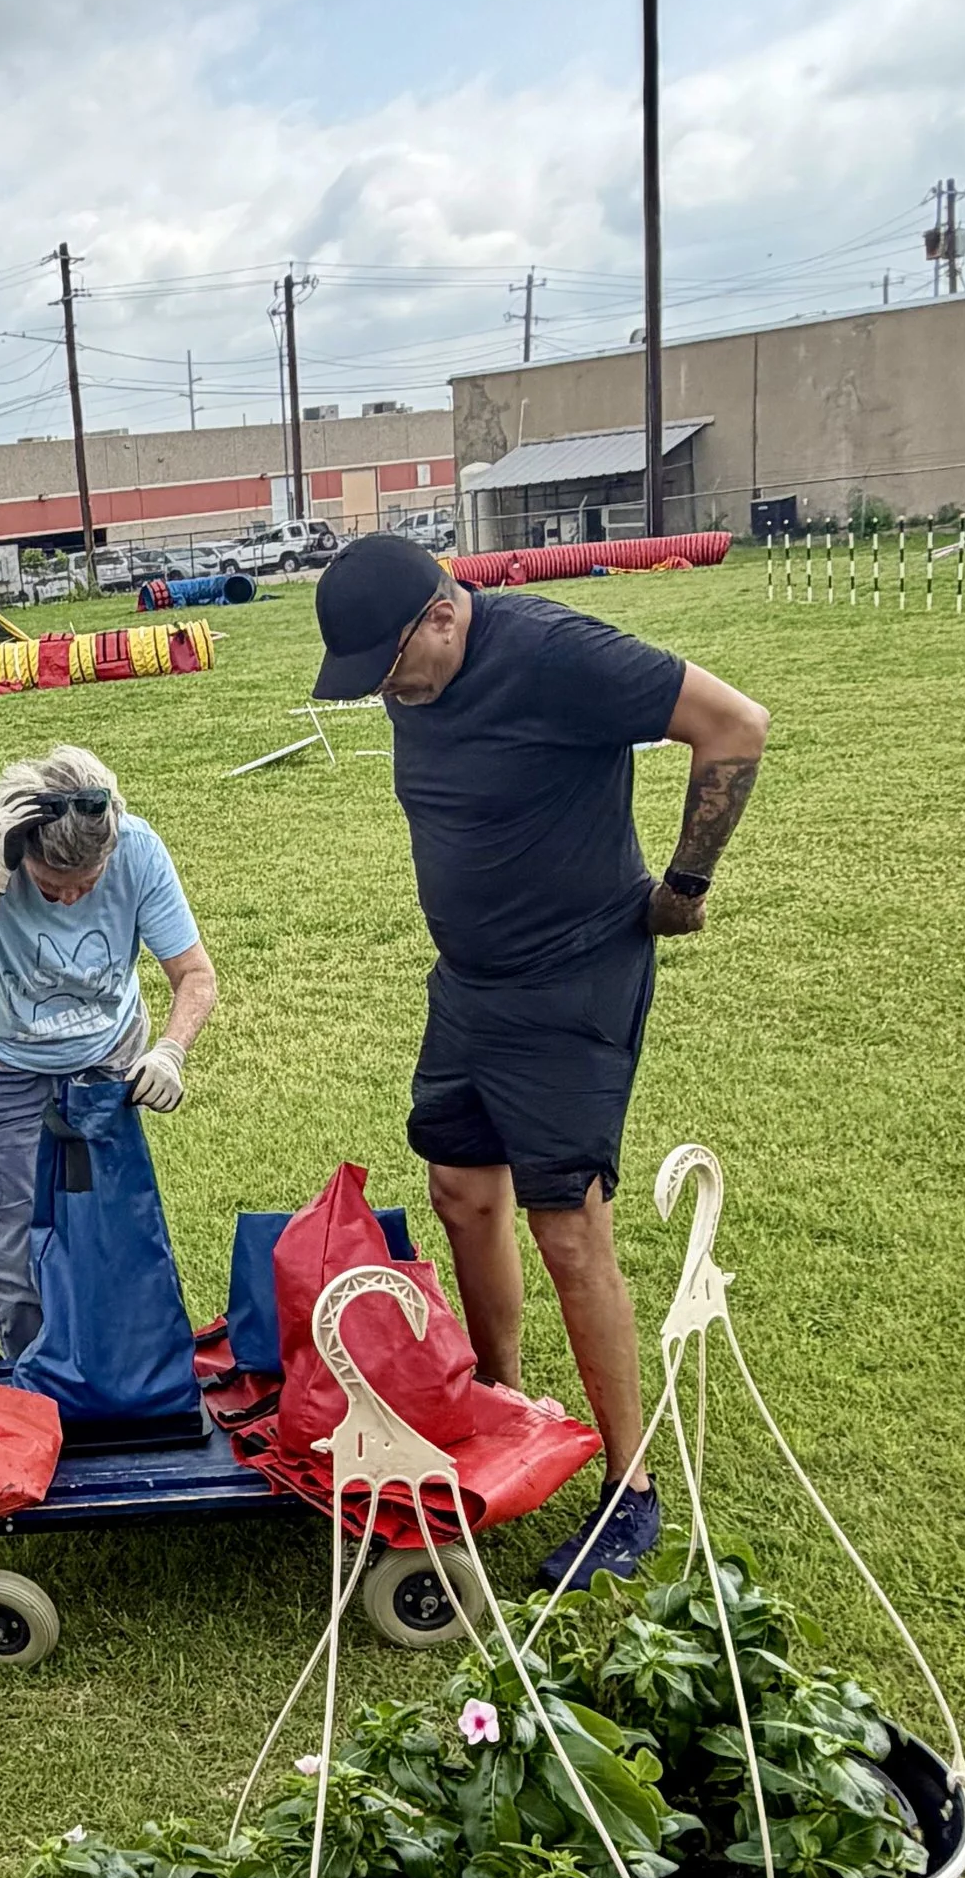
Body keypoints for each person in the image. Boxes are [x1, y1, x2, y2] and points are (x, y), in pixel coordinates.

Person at [312, 533, 769, 1589]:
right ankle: (502, 1402)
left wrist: (684, 886)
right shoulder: (413, 677)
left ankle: (631, 1491)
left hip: (569, 978)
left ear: (440, 614)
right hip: (469, 979)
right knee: (461, 1190)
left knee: (567, 1226)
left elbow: (733, 724)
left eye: (392, 671)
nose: (391, 695)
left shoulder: (556, 653)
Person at [0, 745, 217, 1358]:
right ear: (23, 854)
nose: (72, 900)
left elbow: (195, 976)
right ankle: (43, 1388)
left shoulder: (137, 850)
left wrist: (168, 1052)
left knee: (112, 1227)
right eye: (53, 888)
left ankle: (119, 1377)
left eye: (88, 884)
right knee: (16, 1247)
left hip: (104, 1060)